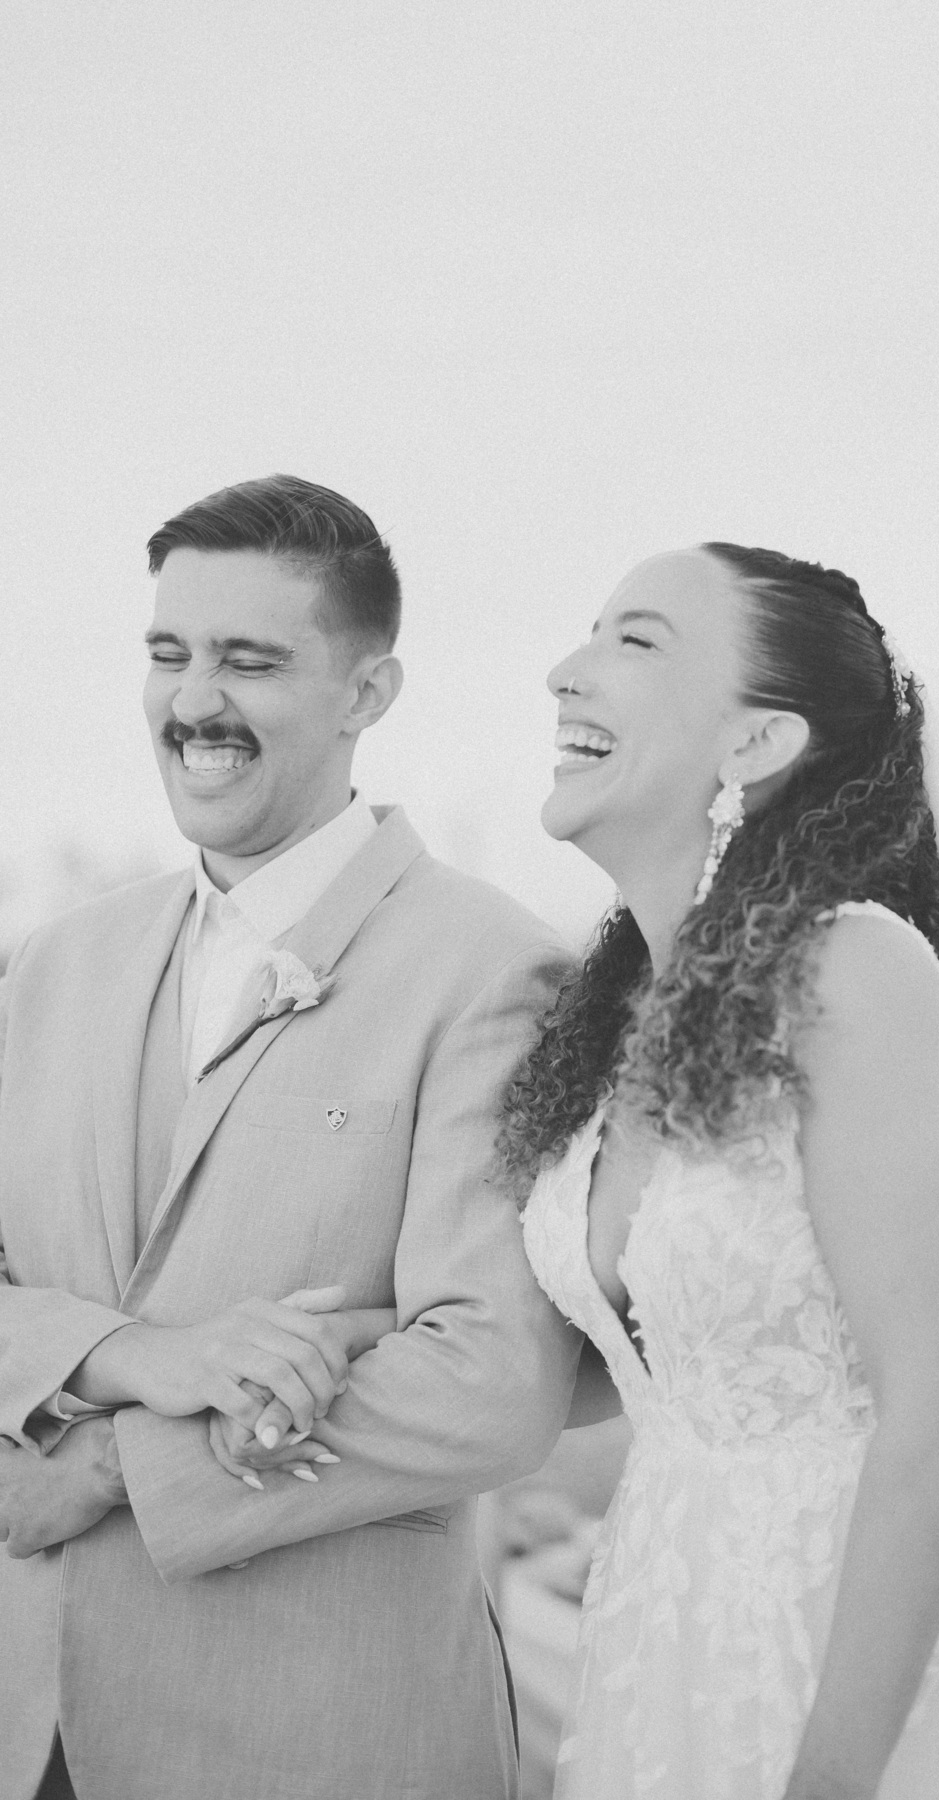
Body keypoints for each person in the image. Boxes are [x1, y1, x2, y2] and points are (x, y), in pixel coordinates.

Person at [498, 545, 939, 1798]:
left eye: (635, 640)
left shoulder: (849, 972)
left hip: (864, 1657)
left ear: (758, 742)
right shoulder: (620, 1021)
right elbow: (652, 1360)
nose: (566, 671)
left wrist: (830, 1777)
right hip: (670, 1627)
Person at [0, 475, 580, 1800]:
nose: (194, 701)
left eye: (249, 661)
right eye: (169, 654)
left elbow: (490, 1380)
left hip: (322, 1737)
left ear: (368, 692)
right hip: (29, 1722)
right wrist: (138, 1356)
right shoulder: (53, 965)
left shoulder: (495, 971)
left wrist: (113, 1462)